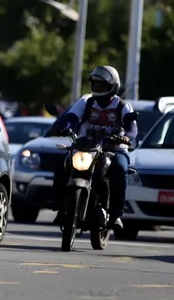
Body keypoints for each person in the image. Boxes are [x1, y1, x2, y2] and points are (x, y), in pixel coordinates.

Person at [47, 66, 138, 230]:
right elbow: (70, 116)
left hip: (113, 149)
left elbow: (132, 128)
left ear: (113, 86)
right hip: (85, 147)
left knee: (119, 168)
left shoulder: (122, 105)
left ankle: (116, 215)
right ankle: (60, 208)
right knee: (62, 164)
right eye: (95, 85)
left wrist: (126, 137)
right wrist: (58, 127)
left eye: (101, 85)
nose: (97, 88)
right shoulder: (87, 101)